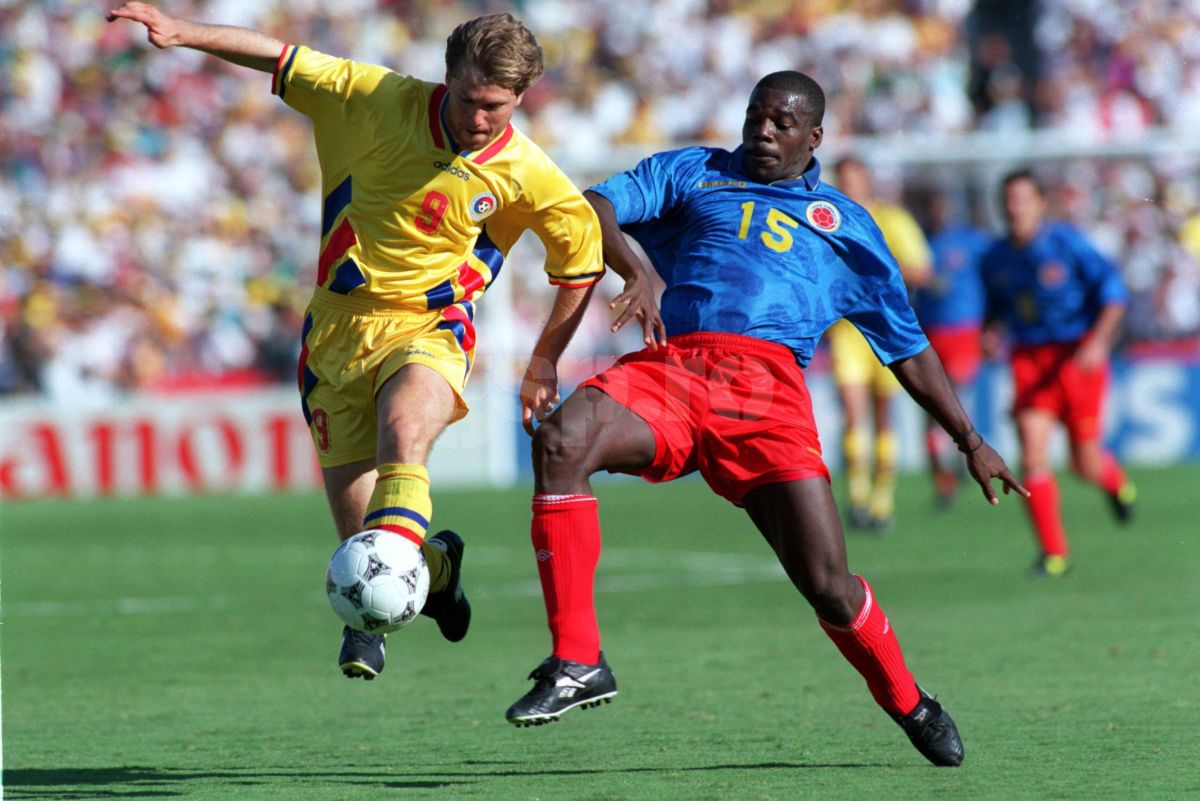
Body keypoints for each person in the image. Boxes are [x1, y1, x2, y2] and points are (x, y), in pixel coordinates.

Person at [106, 3, 660, 679]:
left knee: (405, 431)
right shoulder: (374, 98)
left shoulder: (529, 173)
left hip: (432, 325)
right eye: (469, 99)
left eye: (498, 106)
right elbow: (280, 57)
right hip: (334, 328)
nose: (481, 118)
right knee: (362, 528)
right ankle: (436, 568)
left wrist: (543, 360)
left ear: (520, 98)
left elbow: (579, 264)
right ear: (445, 76)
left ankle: (370, 621)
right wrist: (182, 32)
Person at [505, 71, 1027, 768]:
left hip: (768, 393)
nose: (763, 132)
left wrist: (971, 439)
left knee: (828, 586)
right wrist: (635, 269)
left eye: (782, 123)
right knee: (563, 439)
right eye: (756, 117)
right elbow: (594, 204)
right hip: (678, 369)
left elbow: (905, 346)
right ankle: (577, 657)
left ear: (815, 137)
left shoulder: (846, 225)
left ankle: (910, 701)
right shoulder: (694, 171)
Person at [981, 169, 1136, 577]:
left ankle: (1115, 481)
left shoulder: (1067, 244)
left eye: (1022, 199)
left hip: (1076, 358)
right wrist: (992, 333)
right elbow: (994, 310)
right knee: (1032, 452)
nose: (1014, 208)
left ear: (1040, 203)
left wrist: (1099, 341)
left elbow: (1114, 294)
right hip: (1030, 359)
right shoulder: (995, 257)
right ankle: (1054, 553)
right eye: (1008, 200)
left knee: (1083, 464)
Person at [827, 157, 932, 532]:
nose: (848, 186)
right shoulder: (826, 219)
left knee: (883, 416)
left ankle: (882, 499)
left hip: (887, 329)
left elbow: (921, 270)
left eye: (854, 179)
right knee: (854, 414)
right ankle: (856, 496)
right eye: (842, 179)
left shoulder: (892, 220)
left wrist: (877, 268)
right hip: (847, 332)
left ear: (868, 181)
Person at [911, 189, 992, 508]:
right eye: (934, 205)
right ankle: (943, 475)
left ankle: (964, 457)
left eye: (943, 204)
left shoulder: (973, 241)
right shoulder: (921, 242)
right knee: (931, 406)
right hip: (929, 333)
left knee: (955, 396)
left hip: (963, 332)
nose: (939, 211)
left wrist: (991, 323)